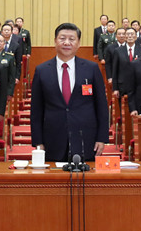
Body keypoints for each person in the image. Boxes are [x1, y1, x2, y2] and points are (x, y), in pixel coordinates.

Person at [31, 23, 108, 162]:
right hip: (52, 138)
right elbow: (36, 110)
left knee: (86, 174)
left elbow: (101, 106)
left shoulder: (91, 68)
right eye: (62, 38)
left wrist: (101, 138)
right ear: (55, 41)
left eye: (71, 39)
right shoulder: (42, 70)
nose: (66, 42)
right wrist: (38, 142)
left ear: (78, 43)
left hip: (86, 137)